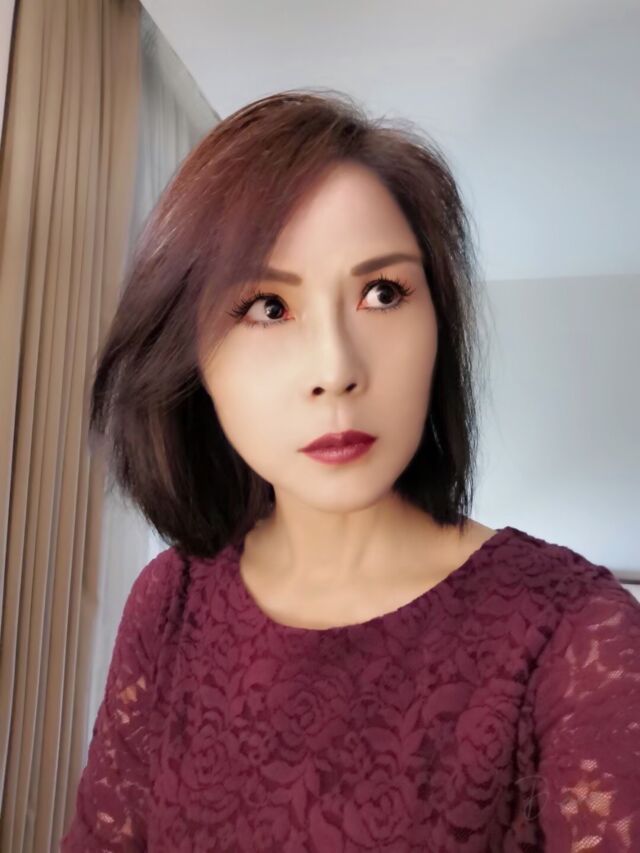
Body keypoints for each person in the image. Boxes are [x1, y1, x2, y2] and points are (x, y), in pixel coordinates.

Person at [60, 89, 640, 851]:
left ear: (439, 325)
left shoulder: (577, 633)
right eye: (268, 306)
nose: (336, 368)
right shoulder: (169, 600)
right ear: (188, 350)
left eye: (382, 292)